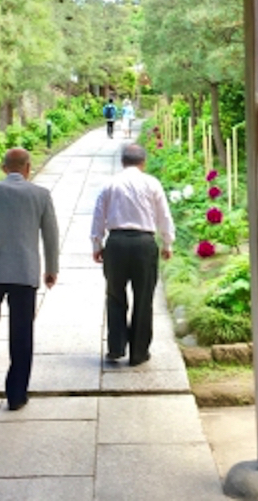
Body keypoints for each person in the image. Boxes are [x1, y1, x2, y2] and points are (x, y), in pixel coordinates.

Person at [0, 147, 59, 410]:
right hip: (24, 272)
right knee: (22, 332)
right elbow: (51, 236)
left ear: (4, 168)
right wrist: (51, 268)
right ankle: (16, 395)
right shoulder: (40, 195)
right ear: (27, 167)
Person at [91, 143, 175, 366]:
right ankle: (139, 352)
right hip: (143, 244)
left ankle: (116, 347)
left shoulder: (110, 184)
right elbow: (163, 215)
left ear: (122, 162)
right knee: (144, 298)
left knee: (115, 295)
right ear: (143, 162)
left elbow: (98, 216)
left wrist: (97, 244)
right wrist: (167, 243)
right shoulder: (152, 183)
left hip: (116, 243)